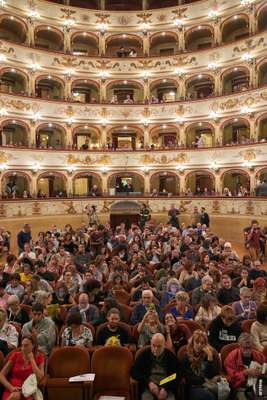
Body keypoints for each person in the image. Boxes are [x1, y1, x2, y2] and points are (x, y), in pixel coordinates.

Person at [131, 333, 179, 400]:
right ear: (150, 343)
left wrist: (165, 387)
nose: (155, 349)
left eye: (159, 346)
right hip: (149, 387)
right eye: (153, 345)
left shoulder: (170, 355)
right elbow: (134, 371)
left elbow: (178, 374)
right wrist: (148, 382)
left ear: (164, 345)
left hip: (166, 387)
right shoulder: (144, 354)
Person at [0, 335, 45, 400]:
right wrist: (11, 388)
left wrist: (32, 360)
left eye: (26, 345)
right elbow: (1, 375)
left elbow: (40, 377)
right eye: (22, 345)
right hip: (12, 388)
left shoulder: (40, 357)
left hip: (27, 389)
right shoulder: (16, 355)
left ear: (33, 345)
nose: (23, 348)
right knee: (15, 396)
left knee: (16, 396)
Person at [224, 333, 266, 400]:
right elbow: (231, 377)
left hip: (258, 385)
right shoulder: (231, 357)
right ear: (239, 346)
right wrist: (245, 373)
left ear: (253, 345)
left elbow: (265, 368)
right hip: (240, 387)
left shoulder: (259, 355)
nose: (248, 350)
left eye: (250, 347)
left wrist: (261, 372)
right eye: (245, 348)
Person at [181, 330, 221, 400]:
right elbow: (189, 379)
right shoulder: (186, 357)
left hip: (208, 385)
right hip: (194, 387)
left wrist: (210, 359)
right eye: (197, 342)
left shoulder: (209, 354)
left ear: (205, 344)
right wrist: (204, 380)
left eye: (202, 343)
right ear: (192, 342)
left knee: (214, 394)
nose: (199, 345)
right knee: (208, 396)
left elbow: (212, 375)